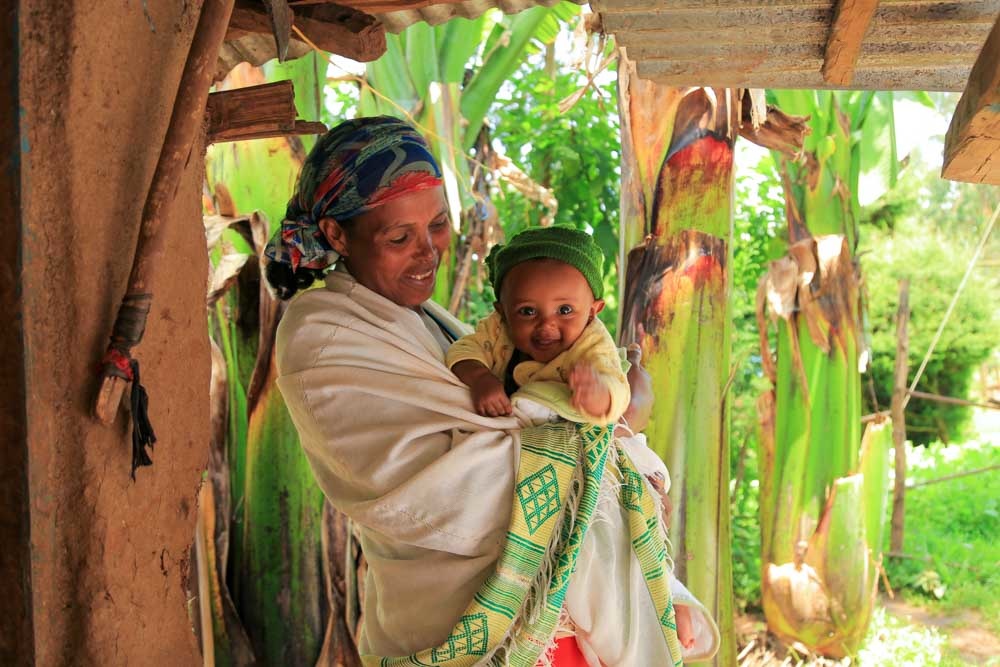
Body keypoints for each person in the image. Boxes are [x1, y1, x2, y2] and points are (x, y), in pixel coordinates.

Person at [265, 116, 719, 666]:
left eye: (437, 224)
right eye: (399, 236)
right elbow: (444, 488)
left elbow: (524, 426)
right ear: (337, 236)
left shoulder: (425, 319)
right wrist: (622, 429)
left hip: (568, 632)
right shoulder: (324, 334)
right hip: (461, 636)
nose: (428, 251)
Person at [448, 226, 629, 424]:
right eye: (528, 311)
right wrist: (480, 378)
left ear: (592, 313)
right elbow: (463, 350)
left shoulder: (592, 346)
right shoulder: (499, 328)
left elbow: (619, 390)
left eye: (565, 310)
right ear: (503, 312)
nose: (546, 325)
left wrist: (599, 396)